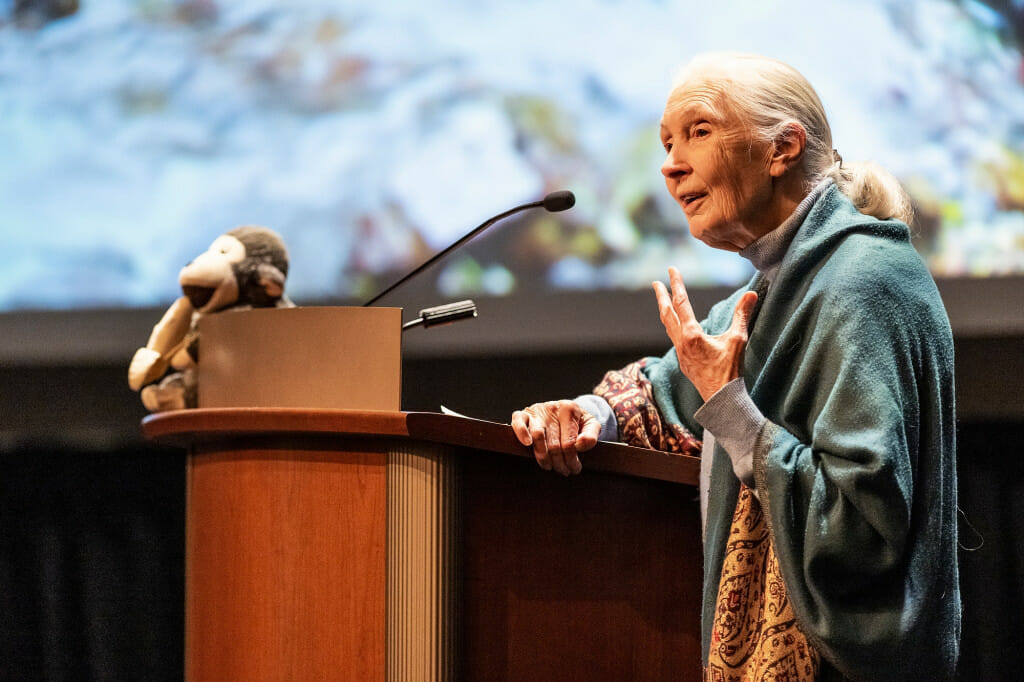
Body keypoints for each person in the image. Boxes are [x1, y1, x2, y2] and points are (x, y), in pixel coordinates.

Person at [511, 52, 960, 682]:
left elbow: (862, 529)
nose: (670, 164)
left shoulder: (864, 281)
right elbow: (663, 395)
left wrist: (729, 404)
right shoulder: (773, 292)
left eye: (698, 131)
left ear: (782, 149)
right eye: (667, 142)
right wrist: (585, 414)